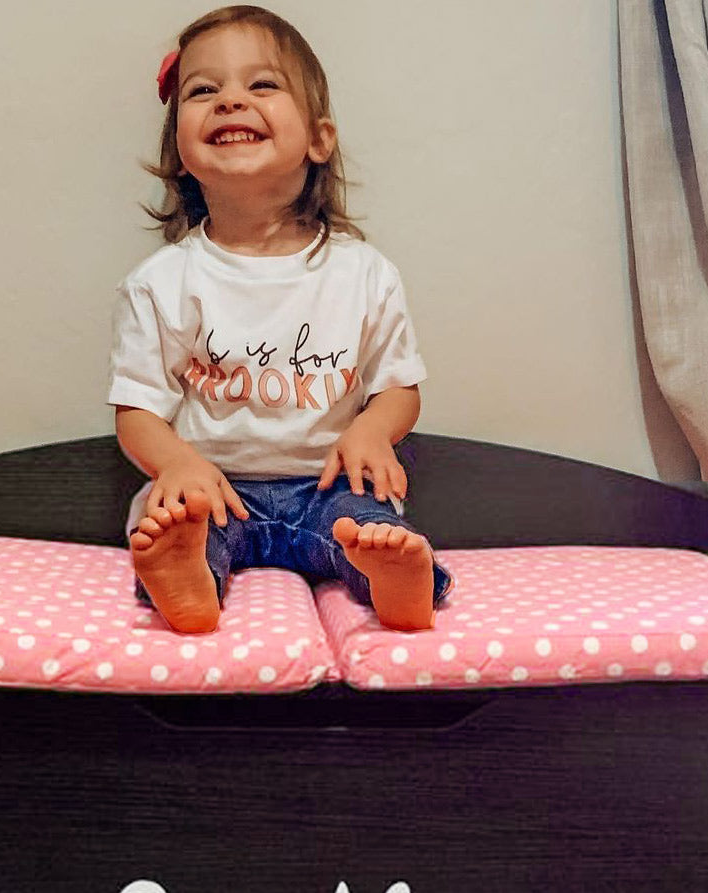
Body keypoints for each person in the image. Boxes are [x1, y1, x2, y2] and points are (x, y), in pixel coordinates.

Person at [109, 4, 452, 634]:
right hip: (216, 488)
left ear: (319, 139)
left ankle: (399, 583)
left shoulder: (364, 274)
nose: (230, 101)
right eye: (202, 91)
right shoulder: (160, 283)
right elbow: (137, 411)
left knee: (368, 526)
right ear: (179, 150)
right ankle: (188, 582)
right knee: (180, 525)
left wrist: (373, 431)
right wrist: (178, 465)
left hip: (328, 487)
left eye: (262, 84)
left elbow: (399, 387)